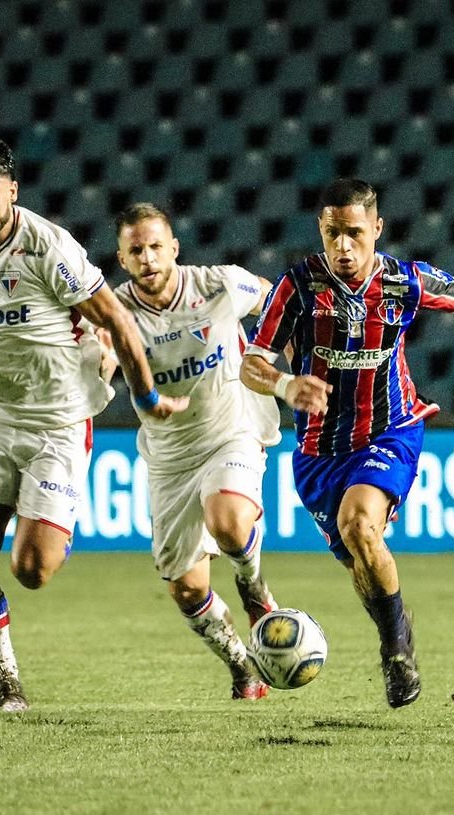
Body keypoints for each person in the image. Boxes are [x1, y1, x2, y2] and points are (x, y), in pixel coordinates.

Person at [240, 178, 454, 708]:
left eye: (353, 233)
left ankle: (397, 650)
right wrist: (284, 384)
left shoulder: (403, 280)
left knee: (360, 525)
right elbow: (252, 363)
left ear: (376, 228)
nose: (343, 247)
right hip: (319, 452)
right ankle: (392, 624)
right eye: (332, 234)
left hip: (389, 428)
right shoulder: (297, 287)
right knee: (361, 559)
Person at [0, 138, 186, 713]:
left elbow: (116, 318)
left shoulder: (50, 249)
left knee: (32, 570)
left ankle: (52, 520)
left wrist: (146, 392)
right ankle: (8, 685)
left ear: (12, 191)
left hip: (59, 420)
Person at [112, 202, 282, 699]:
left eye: (155, 247)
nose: (147, 258)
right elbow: (94, 354)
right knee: (187, 588)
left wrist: (283, 360)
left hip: (230, 430)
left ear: (174, 248)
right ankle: (242, 667)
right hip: (169, 458)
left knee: (228, 521)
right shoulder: (114, 310)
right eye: (136, 250)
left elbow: (277, 306)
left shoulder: (219, 284)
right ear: (122, 259)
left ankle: (253, 588)